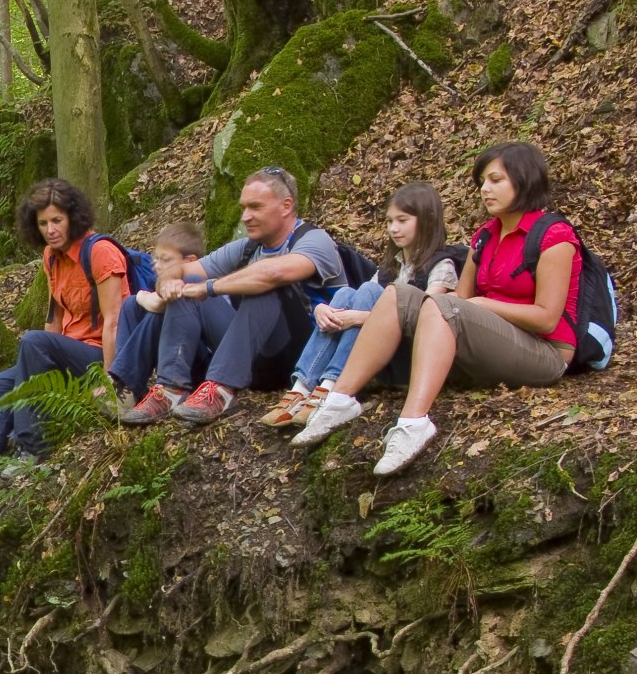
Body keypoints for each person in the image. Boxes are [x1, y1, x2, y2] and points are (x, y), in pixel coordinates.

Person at [294, 143, 585, 475]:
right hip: (492, 342)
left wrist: (482, 304)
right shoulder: (485, 237)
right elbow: (457, 300)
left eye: (495, 180)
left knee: (446, 306)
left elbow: (547, 318)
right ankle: (340, 400)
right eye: (481, 182)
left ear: (525, 180)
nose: (485, 189)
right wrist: (468, 305)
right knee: (396, 294)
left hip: (544, 352)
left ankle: (414, 421)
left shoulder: (554, 236)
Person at [0, 179, 126, 507]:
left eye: (57, 220)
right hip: (66, 352)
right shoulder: (51, 257)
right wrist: (35, 367)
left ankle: (32, 446)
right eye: (43, 223)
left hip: (102, 355)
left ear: (73, 217)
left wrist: (111, 380)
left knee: (32, 342)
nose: (50, 230)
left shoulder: (101, 252)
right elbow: (54, 321)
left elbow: (115, 321)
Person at [115, 168, 348, 426]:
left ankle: (221, 389)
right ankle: (171, 389)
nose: (245, 217)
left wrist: (211, 287)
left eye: (255, 207)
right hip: (252, 356)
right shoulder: (249, 247)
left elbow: (275, 272)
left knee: (267, 283)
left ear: (286, 206)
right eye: (243, 208)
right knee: (188, 282)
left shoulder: (315, 240)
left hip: (303, 357)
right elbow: (184, 270)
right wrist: (168, 281)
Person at [258, 182, 463, 428]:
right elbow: (361, 302)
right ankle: (304, 388)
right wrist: (324, 310)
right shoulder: (390, 267)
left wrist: (356, 319)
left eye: (402, 220)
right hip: (376, 352)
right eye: (389, 222)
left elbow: (428, 317)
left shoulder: (441, 266)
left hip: (408, 357)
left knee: (367, 290)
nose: (393, 229)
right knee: (346, 293)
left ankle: (331, 385)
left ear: (426, 221)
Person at [107, 222, 216, 420]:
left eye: (165, 260)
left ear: (190, 261)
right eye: (155, 259)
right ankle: (125, 387)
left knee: (149, 307)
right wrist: (138, 299)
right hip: (176, 356)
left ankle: (125, 383)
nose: (157, 265)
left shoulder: (197, 281)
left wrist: (140, 296)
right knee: (132, 305)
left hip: (197, 363)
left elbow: (160, 305)